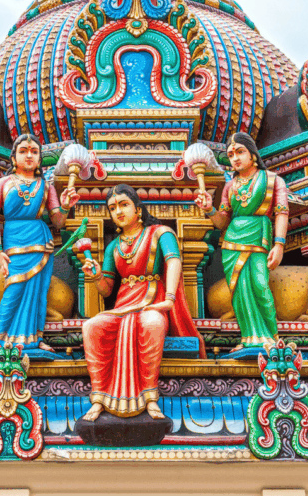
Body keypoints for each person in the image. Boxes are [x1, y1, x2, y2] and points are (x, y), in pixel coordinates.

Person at [80, 184, 205, 420]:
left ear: (138, 209)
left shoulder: (160, 233)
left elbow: (173, 261)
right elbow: (106, 290)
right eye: (112, 208)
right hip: (122, 306)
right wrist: (96, 275)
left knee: (152, 324)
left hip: (153, 301)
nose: (118, 211)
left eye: (124, 205)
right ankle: (99, 397)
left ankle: (150, 397)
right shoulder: (113, 247)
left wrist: (169, 300)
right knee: (91, 327)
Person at [195, 132, 288, 351]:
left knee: (260, 286)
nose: (235, 158)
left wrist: (279, 244)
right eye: (230, 155)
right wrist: (210, 209)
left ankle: (271, 340)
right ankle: (249, 339)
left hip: (258, 240)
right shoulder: (230, 186)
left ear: (252, 154)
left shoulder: (273, 181)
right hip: (232, 245)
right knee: (239, 291)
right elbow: (222, 222)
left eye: (240, 152)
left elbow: (282, 212)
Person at [0, 134, 78, 353]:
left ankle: (35, 339)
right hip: (13, 242)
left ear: (39, 159)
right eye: (24, 151)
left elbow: (58, 222)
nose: (29, 155)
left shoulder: (46, 187)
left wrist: (65, 205)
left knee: (38, 292)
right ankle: (0, 341)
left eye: (34, 152)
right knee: (13, 289)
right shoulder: (2, 184)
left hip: (40, 243)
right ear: (14, 157)